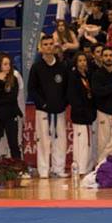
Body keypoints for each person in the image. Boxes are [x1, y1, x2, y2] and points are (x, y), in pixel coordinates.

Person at [28, 35, 69, 178]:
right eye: (45, 44)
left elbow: (67, 88)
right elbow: (32, 89)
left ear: (54, 46)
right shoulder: (36, 67)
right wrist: (43, 104)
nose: (48, 47)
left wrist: (63, 103)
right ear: (41, 47)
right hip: (43, 111)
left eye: (51, 44)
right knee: (43, 141)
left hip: (59, 111)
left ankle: (58, 169)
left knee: (60, 140)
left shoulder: (62, 67)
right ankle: (44, 171)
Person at [0, 53, 23, 163]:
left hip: (11, 114)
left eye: (9, 64)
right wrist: (0, 83)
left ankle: (18, 165)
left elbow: (12, 97)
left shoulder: (14, 79)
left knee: (13, 143)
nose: (8, 67)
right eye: (5, 64)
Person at [67, 52, 96, 176]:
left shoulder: (88, 76)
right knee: (81, 143)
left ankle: (87, 168)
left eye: (84, 60)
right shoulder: (73, 77)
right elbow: (72, 96)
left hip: (88, 114)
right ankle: (80, 169)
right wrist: (81, 109)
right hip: (79, 115)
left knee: (88, 143)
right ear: (76, 63)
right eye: (80, 61)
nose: (83, 63)